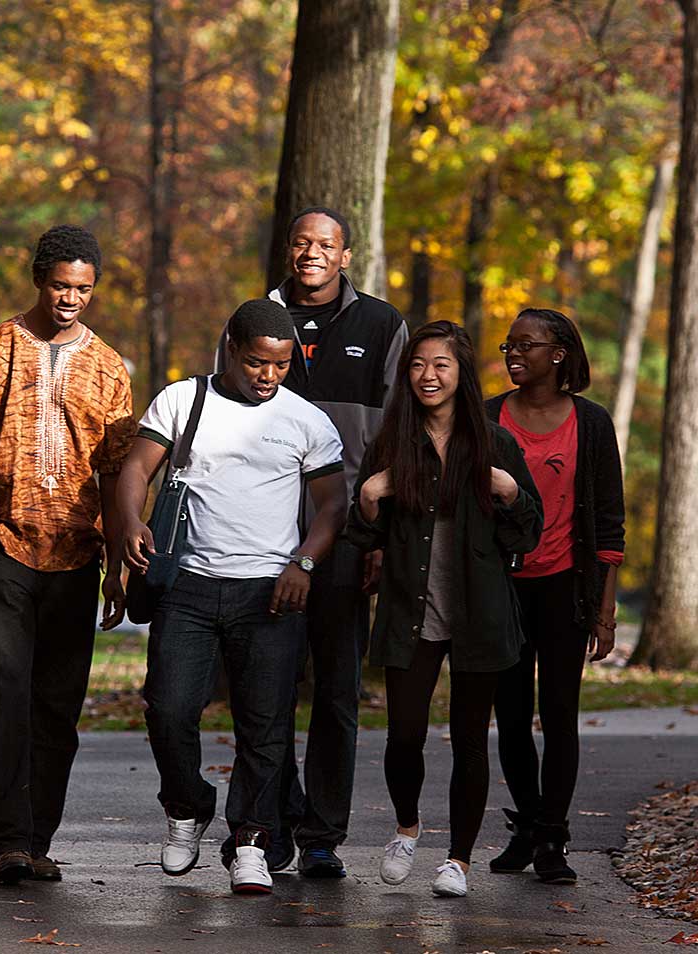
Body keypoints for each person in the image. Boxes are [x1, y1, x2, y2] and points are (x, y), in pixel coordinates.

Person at [120, 299, 347, 895]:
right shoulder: (182, 399)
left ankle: (252, 839)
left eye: (280, 365)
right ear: (229, 349)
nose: (268, 376)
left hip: (271, 591)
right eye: (256, 363)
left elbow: (333, 505)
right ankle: (187, 807)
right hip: (189, 587)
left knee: (265, 726)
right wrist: (128, 524)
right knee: (168, 709)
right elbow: (136, 470)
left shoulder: (306, 420)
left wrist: (303, 562)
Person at [217, 206, 408, 876]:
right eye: (301, 242)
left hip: (347, 535)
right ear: (288, 249)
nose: (311, 253)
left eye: (325, 244)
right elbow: (221, 421)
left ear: (346, 255)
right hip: (259, 535)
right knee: (259, 689)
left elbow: (398, 438)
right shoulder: (251, 321)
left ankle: (323, 835)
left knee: (336, 689)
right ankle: (265, 825)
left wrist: (379, 535)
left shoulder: (382, 325)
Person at [0, 224, 136, 885]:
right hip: (8, 548)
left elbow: (117, 469)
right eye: (60, 286)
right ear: (38, 279)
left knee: (57, 702)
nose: (70, 299)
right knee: (6, 692)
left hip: (79, 555)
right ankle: (5, 841)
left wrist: (117, 558)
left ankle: (38, 838)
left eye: (82, 289)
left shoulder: (109, 368)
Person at [346, 320, 543, 898]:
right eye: (418, 365)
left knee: (468, 742)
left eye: (441, 365)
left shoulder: (494, 442)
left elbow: (527, 535)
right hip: (413, 610)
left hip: (479, 614)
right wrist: (367, 499)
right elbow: (362, 538)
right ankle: (407, 828)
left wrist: (511, 493)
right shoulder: (392, 442)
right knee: (404, 735)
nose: (428, 376)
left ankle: (457, 859)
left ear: (461, 374)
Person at [486, 308, 625, 884]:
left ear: (559, 353)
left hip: (566, 586)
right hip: (501, 586)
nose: (513, 354)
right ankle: (528, 827)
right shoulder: (489, 415)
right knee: (512, 717)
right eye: (508, 345)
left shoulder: (590, 423)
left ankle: (553, 839)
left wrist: (605, 608)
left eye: (526, 344)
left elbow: (611, 523)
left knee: (559, 715)